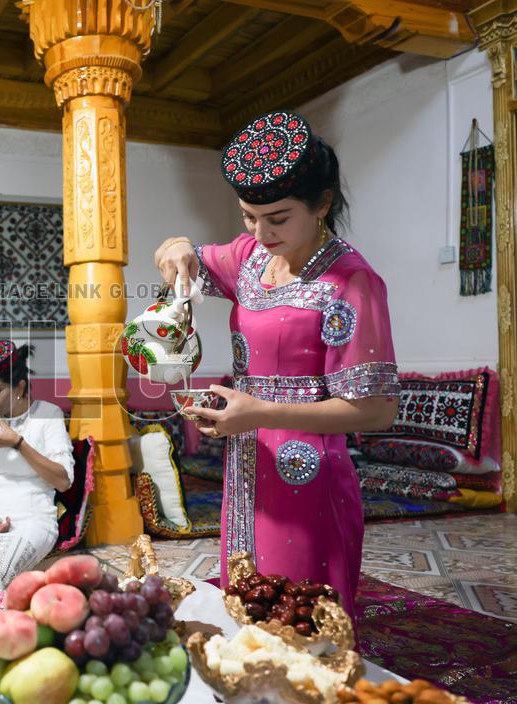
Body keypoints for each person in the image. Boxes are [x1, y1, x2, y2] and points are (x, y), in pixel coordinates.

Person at [154, 111, 400, 612]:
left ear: (322, 203)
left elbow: (377, 411)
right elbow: (185, 253)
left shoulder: (351, 283)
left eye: (278, 218)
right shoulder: (251, 257)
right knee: (245, 602)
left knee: (300, 610)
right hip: (246, 460)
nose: (260, 232)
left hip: (306, 472)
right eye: (249, 216)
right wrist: (175, 253)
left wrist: (260, 413)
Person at [0, 341, 74, 593]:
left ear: (20, 387)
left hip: (33, 514)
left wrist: (18, 444)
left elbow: (63, 481)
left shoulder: (48, 414)